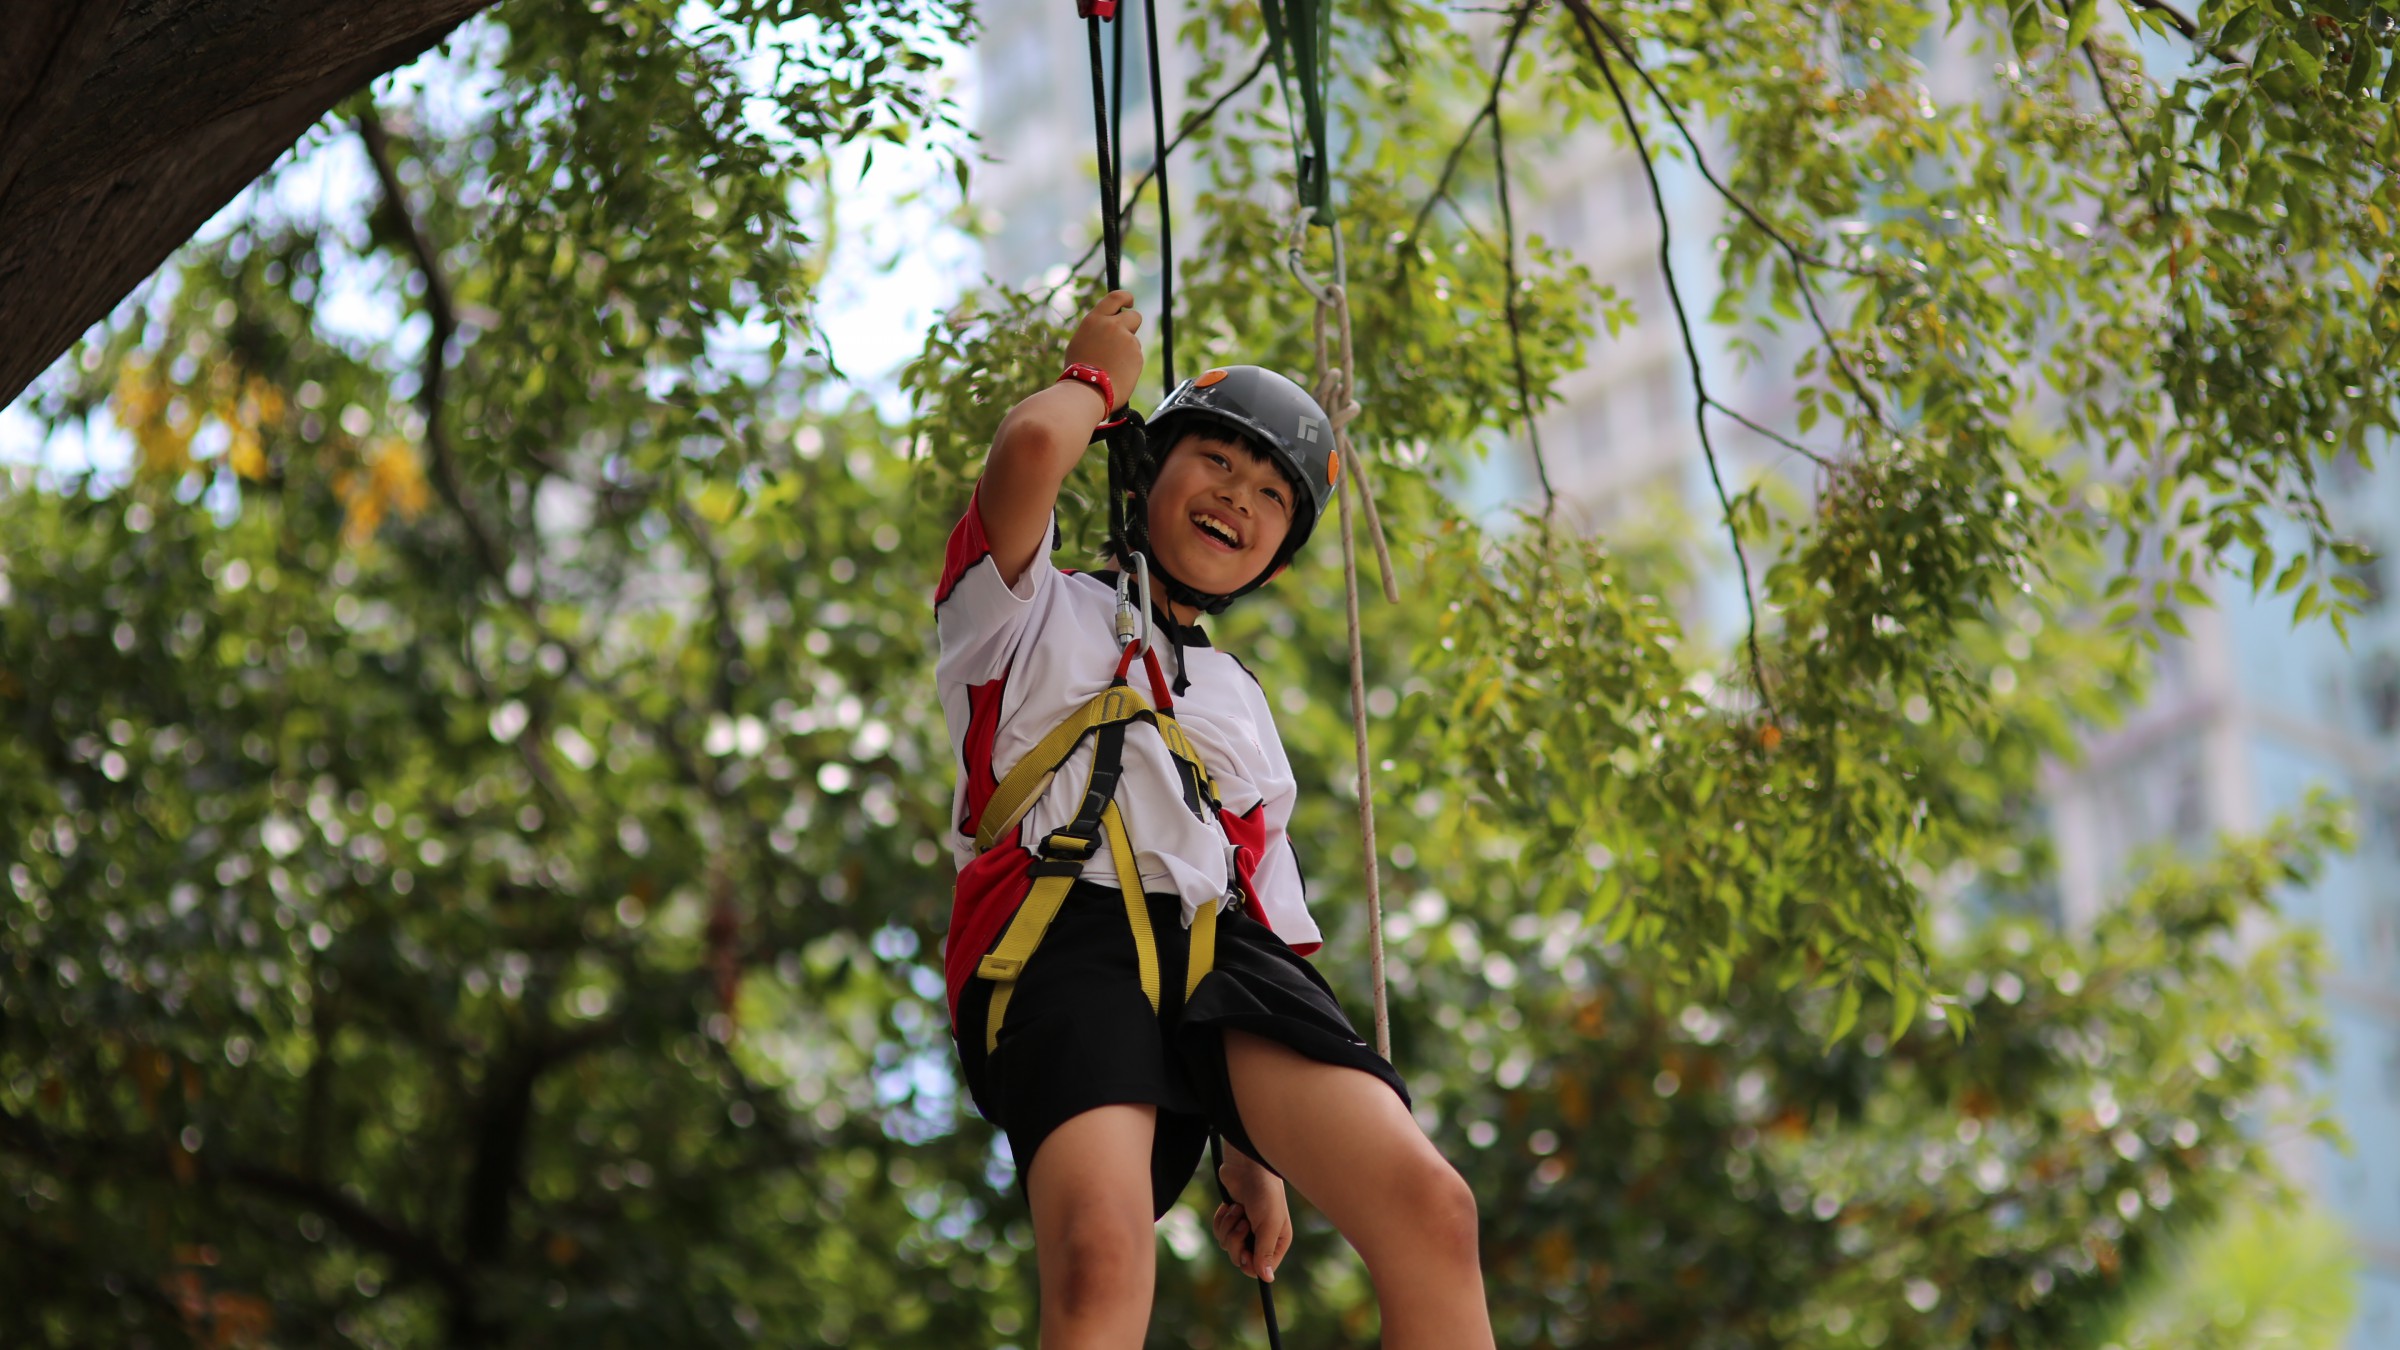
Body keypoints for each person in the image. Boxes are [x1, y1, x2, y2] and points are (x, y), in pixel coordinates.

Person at [932, 290, 1494, 1349]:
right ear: (1146, 469)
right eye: (1218, 460)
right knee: (1101, 1261)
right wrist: (1092, 381)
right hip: (1060, 935)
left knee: (1433, 1209)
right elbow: (1029, 454)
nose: (1239, 495)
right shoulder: (1021, 608)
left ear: (1275, 557)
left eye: (1274, 494)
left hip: (1219, 951)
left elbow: (1268, 914)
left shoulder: (1239, 700)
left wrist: (1252, 1151)